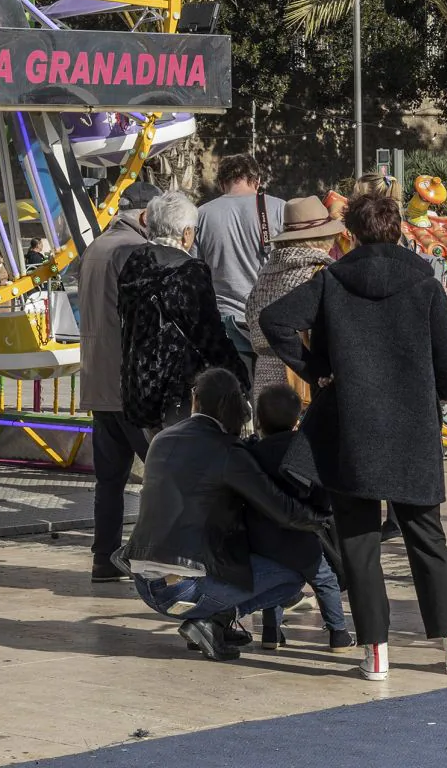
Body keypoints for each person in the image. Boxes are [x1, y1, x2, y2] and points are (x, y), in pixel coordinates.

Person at [260, 192, 447, 681]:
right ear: (398, 228)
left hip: (350, 424)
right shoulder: (425, 282)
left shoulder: (332, 280)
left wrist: (318, 372)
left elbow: (276, 321)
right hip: (413, 426)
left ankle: (375, 650)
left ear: (349, 233)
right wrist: (435, 391)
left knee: (359, 540)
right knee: (426, 537)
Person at [126, 368, 328, 662]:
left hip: (145, 581)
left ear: (195, 401)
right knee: (294, 574)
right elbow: (283, 510)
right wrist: (322, 519)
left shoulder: (162, 440)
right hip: (183, 586)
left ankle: (210, 620)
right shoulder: (228, 451)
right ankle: (212, 619)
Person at [77, 181, 161, 582]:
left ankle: (104, 557)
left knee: (108, 481)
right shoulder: (134, 250)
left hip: (99, 380)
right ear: (146, 215)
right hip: (130, 383)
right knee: (164, 473)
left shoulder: (97, 247)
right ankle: (155, 558)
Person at [118, 191, 246, 430]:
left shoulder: (133, 263)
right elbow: (208, 333)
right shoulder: (190, 270)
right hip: (177, 390)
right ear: (187, 233)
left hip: (139, 386)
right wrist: (238, 374)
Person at [247, 383, 354, 652]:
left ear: (258, 421)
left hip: (262, 537)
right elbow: (321, 495)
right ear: (297, 419)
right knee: (324, 580)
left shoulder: (252, 453)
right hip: (301, 537)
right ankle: (338, 633)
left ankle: (271, 633)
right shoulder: (303, 451)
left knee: (273, 584)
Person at [193, 155, 286, 385]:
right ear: (257, 180)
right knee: (270, 405)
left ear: (222, 183)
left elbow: (196, 271)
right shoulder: (279, 208)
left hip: (225, 322)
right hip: (270, 322)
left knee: (231, 402)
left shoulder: (202, 214)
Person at [242, 196, 345, 394]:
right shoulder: (320, 274)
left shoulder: (266, 273)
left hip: (264, 379)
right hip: (304, 379)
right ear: (324, 237)